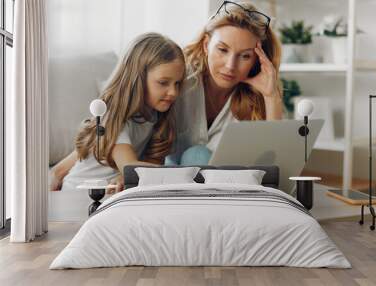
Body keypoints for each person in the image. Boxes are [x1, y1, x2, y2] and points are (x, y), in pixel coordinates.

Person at [49, 33, 185, 192]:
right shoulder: (113, 118)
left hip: (110, 194)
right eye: (163, 83)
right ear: (137, 79)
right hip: (79, 194)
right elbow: (129, 166)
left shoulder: (154, 116)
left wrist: (123, 176)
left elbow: (141, 167)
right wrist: (184, 173)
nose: (173, 92)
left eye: (177, 83)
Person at [168, 1, 283, 165]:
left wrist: (272, 97)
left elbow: (272, 163)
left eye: (245, 56)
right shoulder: (178, 80)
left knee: (197, 156)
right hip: (168, 178)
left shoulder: (255, 98)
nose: (230, 66)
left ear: (256, 61)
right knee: (196, 155)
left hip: (221, 186)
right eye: (222, 50)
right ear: (207, 45)